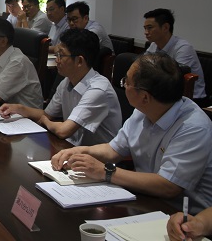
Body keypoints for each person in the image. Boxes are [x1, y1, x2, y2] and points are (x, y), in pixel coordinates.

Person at [51, 53, 212, 214]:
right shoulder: (143, 110)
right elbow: (113, 150)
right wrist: (80, 151)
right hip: (145, 199)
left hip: (183, 216)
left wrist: (105, 171)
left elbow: (169, 186)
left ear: (145, 97)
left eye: (126, 82)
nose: (123, 85)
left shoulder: (193, 127)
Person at [0, 29, 121, 146]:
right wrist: (18, 108)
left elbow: (63, 131)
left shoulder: (98, 90)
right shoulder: (67, 81)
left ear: (79, 61)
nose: (56, 60)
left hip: (99, 156)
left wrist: (45, 121)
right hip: (74, 147)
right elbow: (47, 114)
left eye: (61, 55)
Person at [144, 8, 208, 106]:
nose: (146, 32)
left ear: (165, 27)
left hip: (192, 99)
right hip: (165, 92)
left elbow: (175, 79)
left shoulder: (184, 48)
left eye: (149, 28)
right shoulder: (154, 45)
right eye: (145, 28)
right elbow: (142, 66)